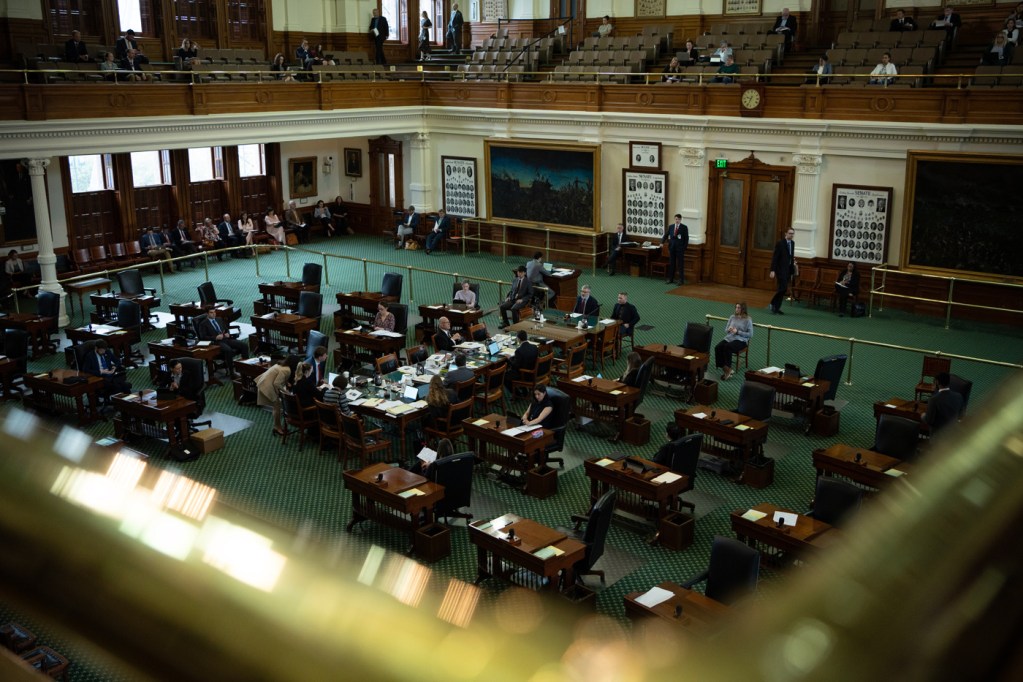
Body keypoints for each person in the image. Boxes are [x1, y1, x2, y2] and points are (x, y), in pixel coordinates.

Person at [199, 306, 249, 376]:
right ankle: (232, 372)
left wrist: (227, 333)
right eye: (211, 313)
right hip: (216, 343)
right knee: (228, 350)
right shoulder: (203, 324)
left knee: (244, 345)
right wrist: (215, 337)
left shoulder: (219, 319)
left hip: (226, 339)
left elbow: (226, 329)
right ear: (207, 314)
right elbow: (203, 337)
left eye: (214, 312)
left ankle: (246, 368)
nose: (214, 314)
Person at [714, 302, 753, 381]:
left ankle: (728, 369)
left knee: (727, 347)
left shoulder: (748, 320)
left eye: (739, 308)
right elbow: (726, 329)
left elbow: (750, 334)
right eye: (736, 307)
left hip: (741, 340)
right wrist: (729, 330)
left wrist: (738, 332)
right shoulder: (732, 317)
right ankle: (725, 368)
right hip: (730, 337)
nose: (737, 309)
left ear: (743, 309)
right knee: (717, 347)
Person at [255, 358, 293, 436]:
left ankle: (277, 426)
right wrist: (286, 392)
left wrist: (286, 382)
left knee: (276, 406)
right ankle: (277, 428)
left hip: (264, 382)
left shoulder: (280, 364)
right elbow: (277, 384)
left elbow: (279, 376)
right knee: (277, 405)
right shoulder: (287, 370)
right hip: (267, 385)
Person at [769, 228, 797, 314]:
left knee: (783, 289)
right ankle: (773, 302)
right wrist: (772, 270)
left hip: (788, 270)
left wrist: (792, 268)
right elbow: (775, 257)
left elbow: (791, 257)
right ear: (786, 233)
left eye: (793, 234)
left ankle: (776, 307)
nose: (791, 235)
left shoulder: (792, 243)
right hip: (780, 270)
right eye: (790, 233)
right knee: (783, 287)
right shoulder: (780, 243)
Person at [662, 214, 689, 285]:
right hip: (672, 248)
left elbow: (686, 239)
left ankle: (681, 280)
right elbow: (666, 235)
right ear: (674, 219)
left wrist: (684, 248)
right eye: (676, 219)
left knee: (680, 265)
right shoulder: (671, 227)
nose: (677, 220)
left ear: (680, 220)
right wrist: (662, 242)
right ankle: (671, 279)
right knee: (672, 264)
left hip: (680, 249)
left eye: (678, 219)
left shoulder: (684, 227)